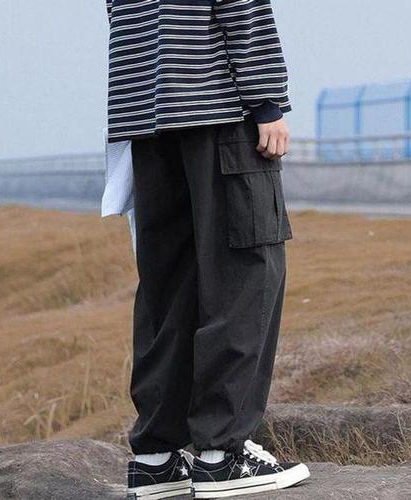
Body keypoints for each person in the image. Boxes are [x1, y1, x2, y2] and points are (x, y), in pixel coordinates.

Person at [104, 1, 310, 498]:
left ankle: (156, 459)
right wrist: (266, 101)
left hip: (145, 118)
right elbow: (241, 8)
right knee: (244, 277)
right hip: (218, 109)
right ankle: (222, 456)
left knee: (167, 285)